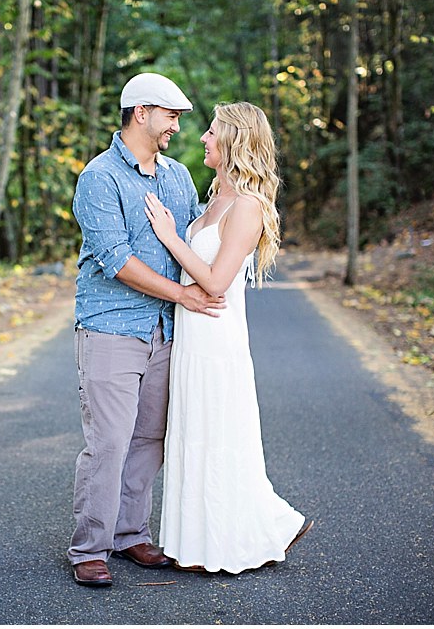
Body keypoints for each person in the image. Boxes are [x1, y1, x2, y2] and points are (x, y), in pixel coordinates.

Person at [68, 73, 226, 587]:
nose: (178, 126)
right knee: (109, 440)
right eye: (171, 116)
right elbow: (116, 259)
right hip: (112, 326)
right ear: (141, 112)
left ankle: (130, 533)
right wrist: (183, 294)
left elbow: (196, 239)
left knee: (150, 437)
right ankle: (89, 547)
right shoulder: (100, 177)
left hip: (165, 330)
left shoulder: (178, 175)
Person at [144, 101, 313, 574]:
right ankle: (198, 542)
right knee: (193, 434)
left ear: (235, 140)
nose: (202, 137)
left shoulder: (248, 206)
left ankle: (232, 539)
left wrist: (170, 236)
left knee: (218, 437)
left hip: (217, 340)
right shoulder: (215, 195)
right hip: (192, 336)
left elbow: (217, 282)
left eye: (212, 131)